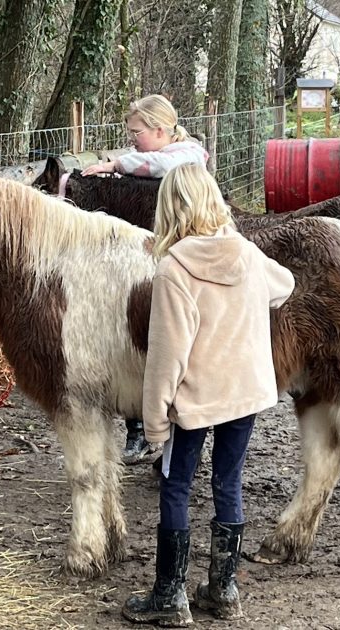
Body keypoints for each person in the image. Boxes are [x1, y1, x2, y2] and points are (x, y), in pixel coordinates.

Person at [122, 164, 295, 627]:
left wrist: (154, 419)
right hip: (245, 394)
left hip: (196, 399)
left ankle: (170, 595)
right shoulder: (246, 253)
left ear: (169, 209)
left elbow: (166, 356)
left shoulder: (174, 269)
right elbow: (286, 285)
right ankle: (223, 589)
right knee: (228, 482)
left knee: (177, 484)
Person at [81, 94, 209, 465]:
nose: (132, 138)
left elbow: (158, 164)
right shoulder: (155, 152)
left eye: (137, 131)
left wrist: (115, 165)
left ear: (159, 129)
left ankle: (174, 437)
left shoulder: (188, 154)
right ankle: (139, 431)